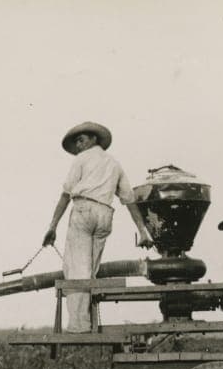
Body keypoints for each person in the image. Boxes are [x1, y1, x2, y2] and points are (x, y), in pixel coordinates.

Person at [41, 121, 153, 333]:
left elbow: (66, 195)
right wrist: (143, 231)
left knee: (77, 269)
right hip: (105, 215)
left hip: (84, 210)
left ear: (93, 139)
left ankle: (78, 326)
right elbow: (129, 200)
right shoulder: (114, 163)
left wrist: (52, 226)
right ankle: (88, 321)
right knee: (91, 270)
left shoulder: (81, 159)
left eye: (81, 140)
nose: (79, 146)